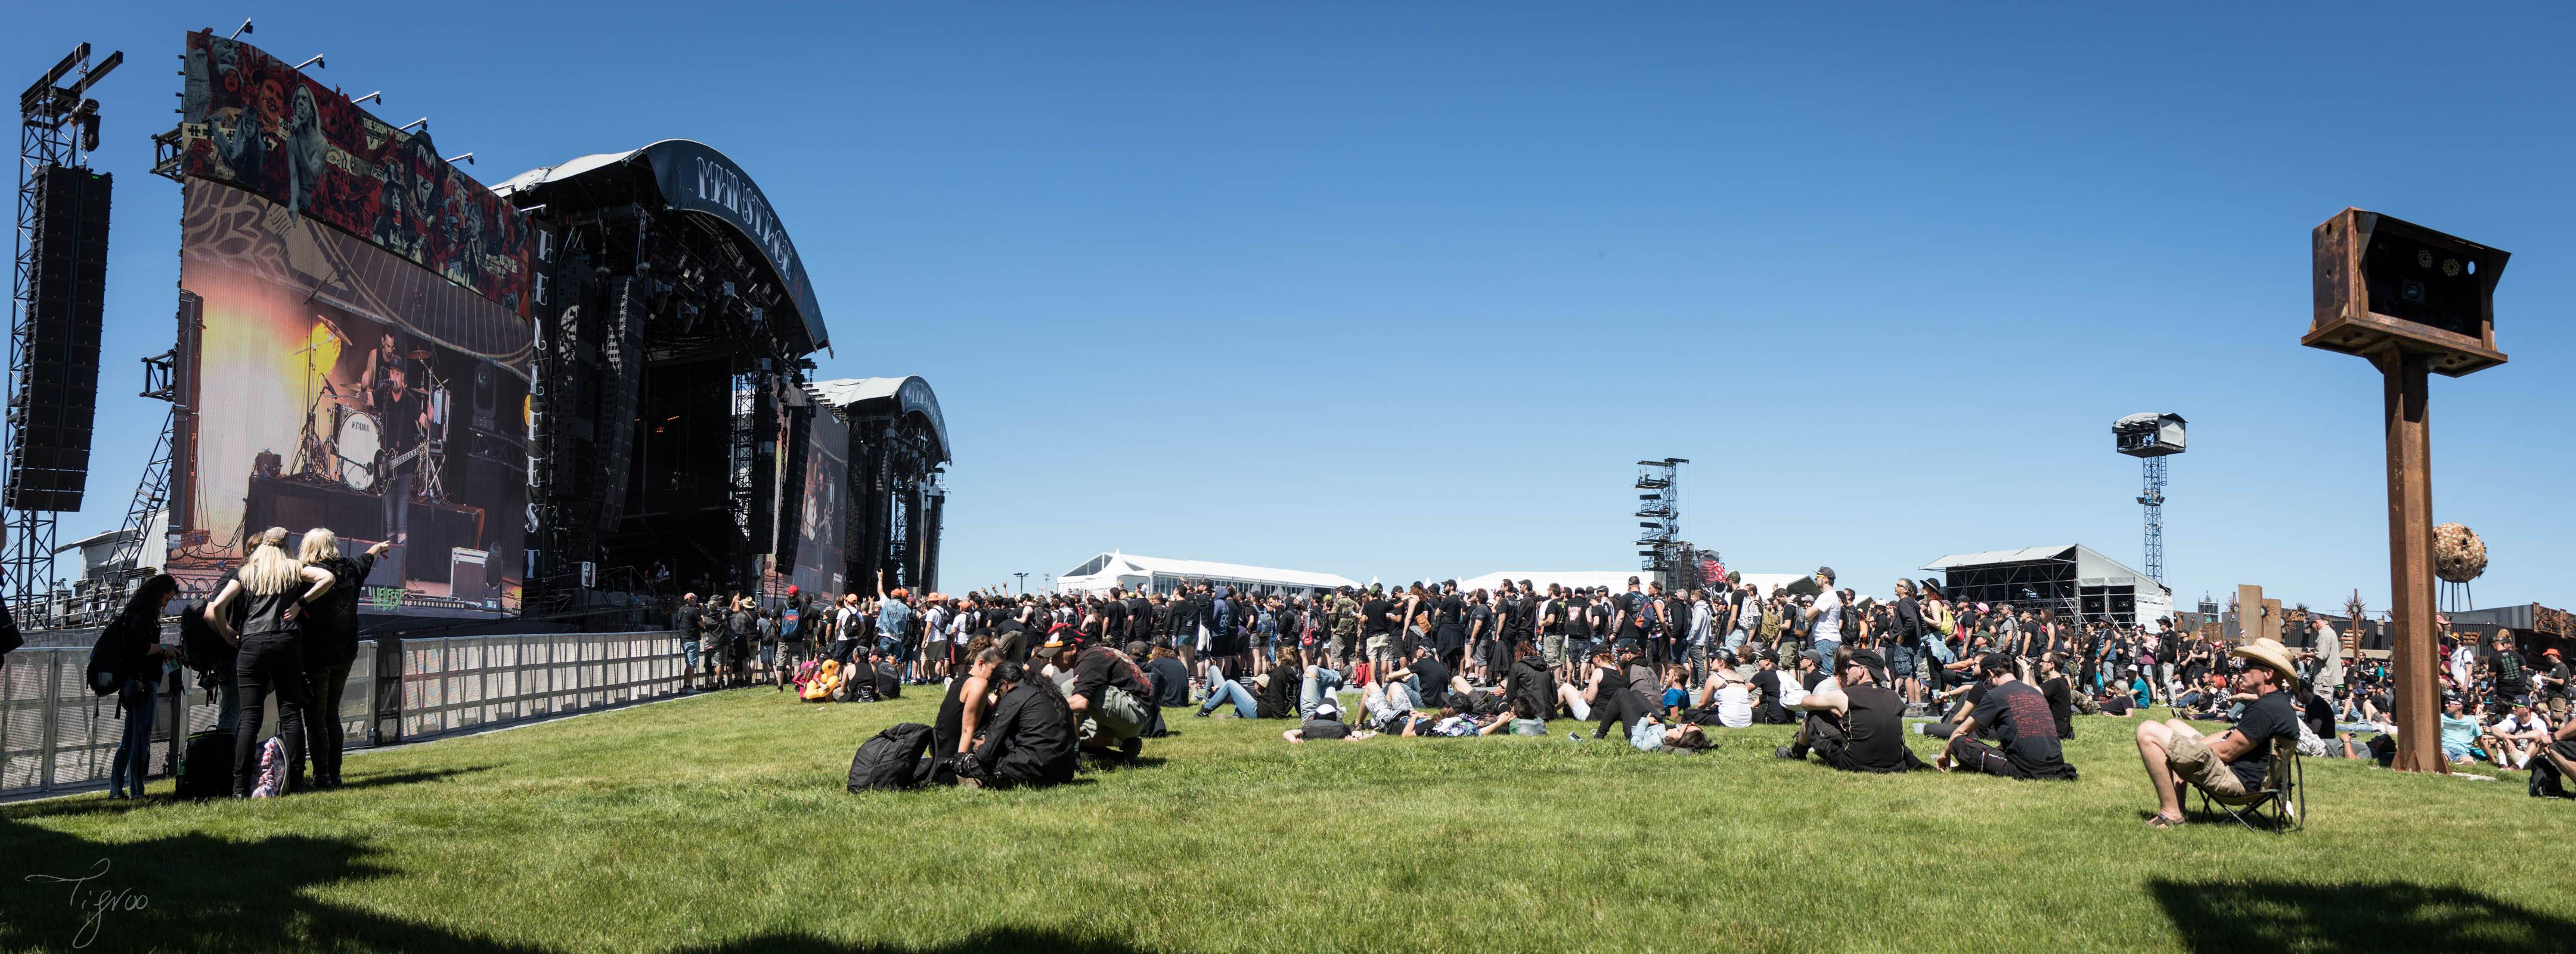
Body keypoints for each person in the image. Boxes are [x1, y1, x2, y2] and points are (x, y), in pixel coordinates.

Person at [205, 527, 337, 798]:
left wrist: (228, 632)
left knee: (249, 718)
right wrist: (301, 602)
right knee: (290, 713)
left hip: (252, 644)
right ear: (287, 546)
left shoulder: (246, 573)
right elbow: (328, 577)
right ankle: (296, 783)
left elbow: (217, 606)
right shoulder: (293, 568)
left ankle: (239, 788)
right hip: (287, 642)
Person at [2132, 637, 2304, 828]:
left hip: (2237, 783)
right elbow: (2230, 734)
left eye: (2248, 665)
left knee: (2147, 730)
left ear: (2268, 673)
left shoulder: (2266, 710)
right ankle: (2178, 807)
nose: (2242, 670)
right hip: (2249, 776)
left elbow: (2226, 752)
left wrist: (2188, 748)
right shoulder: (2275, 704)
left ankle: (2171, 814)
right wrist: (2188, 745)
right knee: (2173, 724)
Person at [298, 529, 389, 789]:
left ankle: (322, 776)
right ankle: (334, 774)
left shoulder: (307, 575)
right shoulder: (352, 569)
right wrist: (379, 547)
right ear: (333, 545)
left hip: (317, 658)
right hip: (345, 655)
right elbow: (368, 556)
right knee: (331, 716)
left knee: (316, 719)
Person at [1777, 648, 1926, 773]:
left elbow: (1806, 703)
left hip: (1854, 762)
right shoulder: (1894, 697)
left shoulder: (1846, 696)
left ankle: (1797, 753)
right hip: (1894, 764)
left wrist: (1833, 708)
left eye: (1849, 666)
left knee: (1815, 713)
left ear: (1861, 671)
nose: (1846, 671)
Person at [1936, 653, 2078, 780]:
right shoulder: (2034, 692)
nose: (1985, 684)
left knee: (1958, 742)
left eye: (1984, 680)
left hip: (2025, 768)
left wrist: (1944, 754)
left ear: (1990, 674)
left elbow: (1961, 732)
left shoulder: (1995, 695)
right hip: (2056, 763)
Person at [104, 575, 182, 800]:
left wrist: (161, 650)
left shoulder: (135, 611)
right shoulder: (144, 614)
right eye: (165, 600)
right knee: (140, 739)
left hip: (134, 682)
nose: (164, 605)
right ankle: (137, 791)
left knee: (129, 740)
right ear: (158, 593)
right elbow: (139, 648)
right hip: (143, 683)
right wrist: (164, 648)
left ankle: (116, 789)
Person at [960, 661, 1077, 789]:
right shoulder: (1050, 691)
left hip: (1037, 770)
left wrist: (981, 747)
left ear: (1004, 684)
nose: (999, 698)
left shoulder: (1014, 696)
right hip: (1065, 770)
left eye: (997, 692)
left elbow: (986, 755)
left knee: (967, 764)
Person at [1056, 637, 1154, 760]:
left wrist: (1045, 710)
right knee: (1070, 733)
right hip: (1140, 719)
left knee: (1070, 688)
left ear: (1073, 649)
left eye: (1056, 656)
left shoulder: (1089, 659)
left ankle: (1073, 758)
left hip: (1134, 712)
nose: (1052, 661)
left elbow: (1081, 702)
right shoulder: (1096, 655)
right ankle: (1125, 746)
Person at [674, 593, 705, 692]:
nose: (696, 602)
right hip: (693, 640)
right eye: (695, 600)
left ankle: (686, 686)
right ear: (691, 599)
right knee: (691, 664)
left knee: (688, 663)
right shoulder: (694, 611)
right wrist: (701, 612)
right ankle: (690, 687)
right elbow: (702, 624)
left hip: (684, 640)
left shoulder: (681, 610)